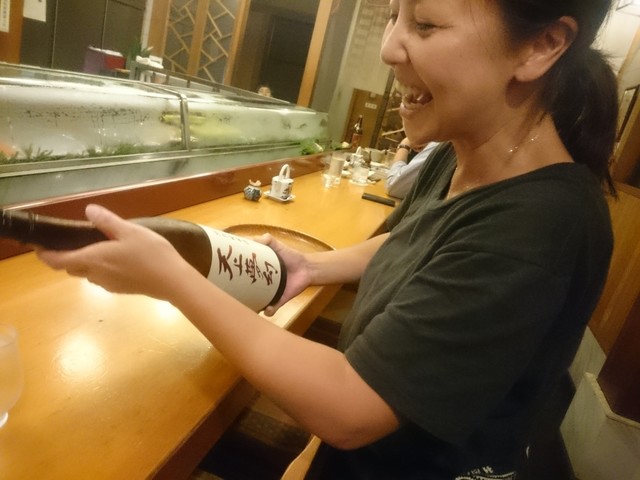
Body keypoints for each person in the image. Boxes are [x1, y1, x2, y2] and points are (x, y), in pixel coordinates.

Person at [37, 0, 618, 478]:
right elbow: (416, 242)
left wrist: (172, 279)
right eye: (392, 16)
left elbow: (351, 408)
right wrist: (313, 268)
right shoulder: (460, 153)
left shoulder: (539, 227)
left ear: (541, 46)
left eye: (425, 24)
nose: (389, 47)